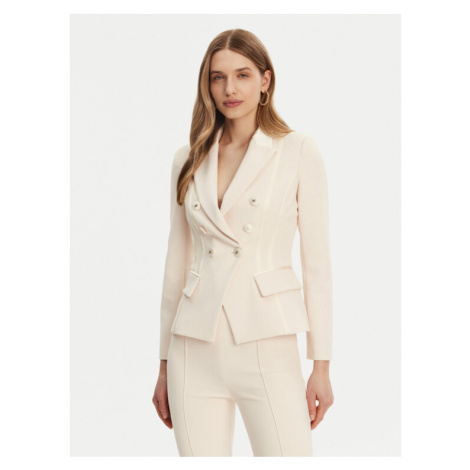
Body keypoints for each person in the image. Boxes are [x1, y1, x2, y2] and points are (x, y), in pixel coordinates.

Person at [152, 28, 334, 457]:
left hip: (267, 342)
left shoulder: (297, 150)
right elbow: (176, 265)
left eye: (243, 75)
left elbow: (317, 264)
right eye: (217, 77)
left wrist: (321, 365)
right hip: (193, 348)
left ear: (265, 80)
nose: (229, 89)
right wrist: (163, 364)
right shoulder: (188, 158)